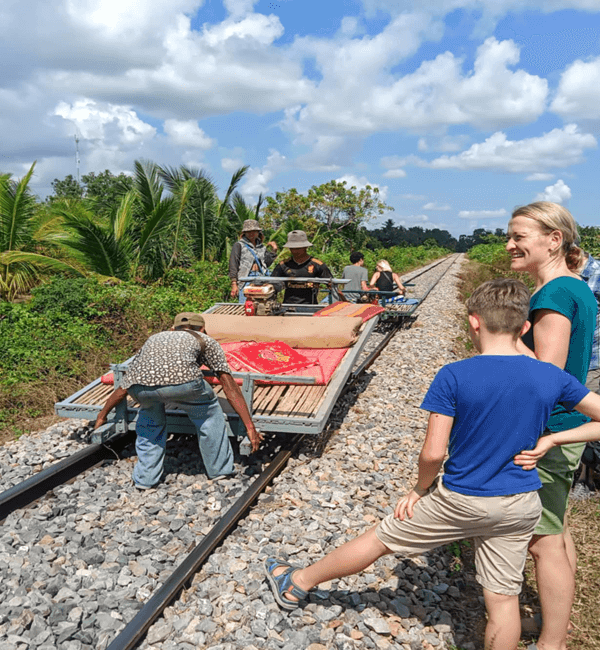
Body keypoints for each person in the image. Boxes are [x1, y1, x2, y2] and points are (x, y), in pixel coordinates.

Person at [265, 278, 598, 650]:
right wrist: (552, 438)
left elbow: (433, 454)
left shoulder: (454, 375)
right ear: (524, 328)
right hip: (520, 504)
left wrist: (420, 488)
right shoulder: (551, 375)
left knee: (380, 539)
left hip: (460, 499)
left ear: (473, 321)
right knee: (503, 600)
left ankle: (297, 583)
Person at [506, 201, 597, 650]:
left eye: (519, 236)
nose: (510, 245)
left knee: (542, 541)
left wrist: (501, 340)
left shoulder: (554, 295)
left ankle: (552, 642)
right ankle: (552, 621)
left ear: (553, 239)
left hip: (547, 432)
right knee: (556, 528)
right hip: (564, 427)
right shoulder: (575, 287)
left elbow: (548, 376)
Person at [94, 312, 263, 488]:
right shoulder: (206, 340)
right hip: (186, 386)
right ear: (203, 329)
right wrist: (249, 427)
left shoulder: (154, 339)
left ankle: (145, 480)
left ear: (172, 329)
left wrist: (102, 414)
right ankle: (219, 471)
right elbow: (228, 384)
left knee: (149, 421)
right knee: (209, 415)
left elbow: (123, 387)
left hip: (141, 389)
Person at [271, 230, 334, 304]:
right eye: (292, 248)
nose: (294, 251)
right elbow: (271, 285)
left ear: (305, 247)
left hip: (310, 308)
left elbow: (332, 285)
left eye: (298, 248)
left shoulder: (317, 265)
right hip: (288, 308)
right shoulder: (283, 265)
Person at [229, 219, 278, 303]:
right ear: (244, 233)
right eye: (248, 232)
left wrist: (274, 251)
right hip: (245, 279)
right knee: (247, 305)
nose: (251, 234)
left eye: (254, 231)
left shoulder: (262, 247)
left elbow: (266, 263)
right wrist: (234, 283)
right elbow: (233, 263)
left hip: (261, 278)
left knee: (262, 305)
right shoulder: (239, 245)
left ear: (258, 232)